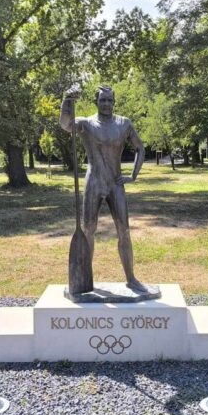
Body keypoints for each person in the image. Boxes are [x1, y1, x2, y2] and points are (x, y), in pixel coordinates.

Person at [60, 85, 148, 292]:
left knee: (124, 231)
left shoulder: (124, 123)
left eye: (109, 100)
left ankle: (131, 278)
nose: (106, 104)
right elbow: (66, 125)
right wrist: (67, 101)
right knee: (88, 230)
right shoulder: (87, 123)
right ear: (96, 102)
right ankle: (85, 279)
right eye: (102, 100)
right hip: (94, 182)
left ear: (113, 102)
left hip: (115, 184)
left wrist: (133, 175)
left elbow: (140, 148)